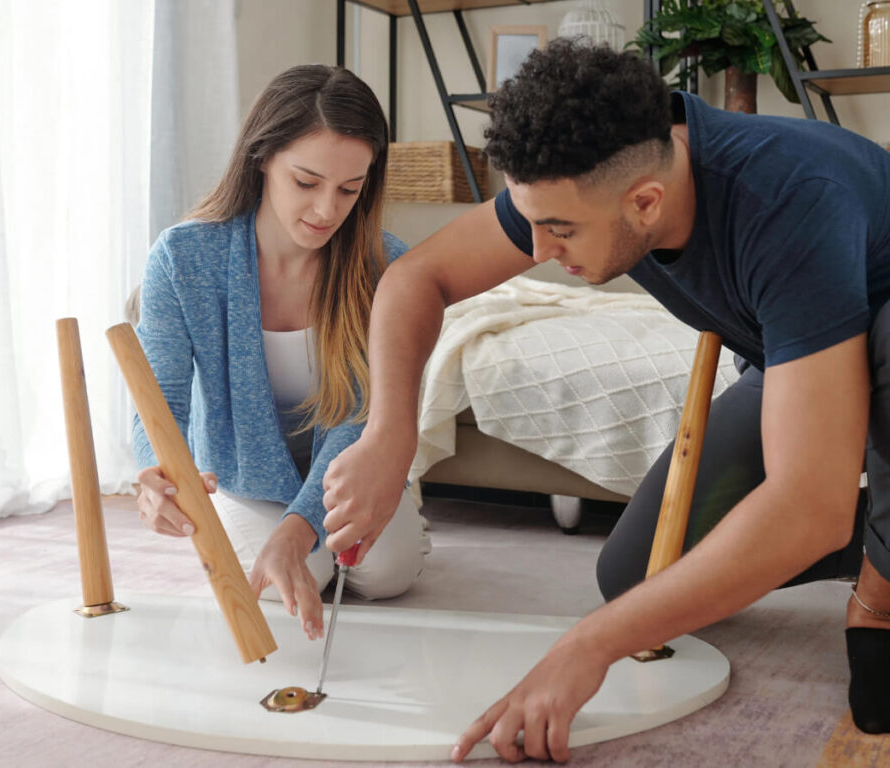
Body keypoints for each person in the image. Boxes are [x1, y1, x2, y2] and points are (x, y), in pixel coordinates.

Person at [320, 38, 890, 761]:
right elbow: (415, 280)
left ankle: (881, 581)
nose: (537, 248)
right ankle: (871, 523)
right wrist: (389, 437)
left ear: (646, 202)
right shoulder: (594, 175)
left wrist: (586, 646)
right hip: (805, 361)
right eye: (530, 221)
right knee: (636, 580)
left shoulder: (789, 200)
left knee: (809, 500)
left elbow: (806, 507)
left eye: (560, 231)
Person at [133, 64, 429, 643]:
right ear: (262, 157)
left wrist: (300, 526)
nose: (326, 210)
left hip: (353, 474)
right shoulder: (184, 256)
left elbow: (362, 416)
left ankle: (401, 502)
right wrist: (156, 472)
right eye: (306, 181)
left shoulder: (388, 267)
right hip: (247, 482)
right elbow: (157, 397)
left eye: (350, 189)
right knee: (293, 585)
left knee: (386, 573)